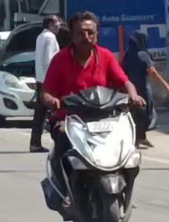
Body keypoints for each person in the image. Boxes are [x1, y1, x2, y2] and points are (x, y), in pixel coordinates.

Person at [41, 12, 145, 196]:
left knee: (129, 149)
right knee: (63, 145)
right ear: (72, 36)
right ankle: (65, 191)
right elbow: (46, 91)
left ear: (97, 35)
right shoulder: (60, 59)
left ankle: (124, 191)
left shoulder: (105, 56)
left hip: (104, 119)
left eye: (91, 33)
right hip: (69, 120)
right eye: (81, 33)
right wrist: (52, 101)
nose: (86, 37)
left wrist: (133, 96)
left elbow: (125, 82)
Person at [122, 30, 169, 149]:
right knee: (147, 114)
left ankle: (141, 138)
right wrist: (165, 84)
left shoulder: (128, 54)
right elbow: (152, 72)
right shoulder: (143, 54)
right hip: (143, 87)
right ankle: (138, 139)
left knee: (137, 114)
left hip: (132, 90)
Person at [30, 15, 62, 153]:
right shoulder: (50, 37)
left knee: (40, 113)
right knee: (51, 111)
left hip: (41, 79)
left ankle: (35, 142)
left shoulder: (41, 36)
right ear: (50, 24)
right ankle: (40, 143)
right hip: (47, 80)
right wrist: (54, 79)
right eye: (57, 22)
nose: (59, 25)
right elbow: (50, 60)